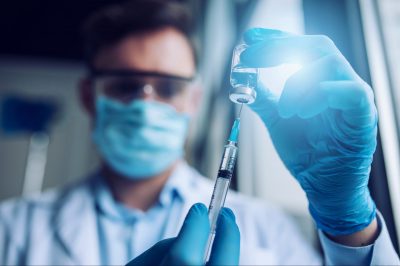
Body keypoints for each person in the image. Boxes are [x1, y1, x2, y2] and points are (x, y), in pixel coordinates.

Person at [0, 0, 399, 265]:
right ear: (89, 96)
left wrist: (347, 222)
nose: (146, 102)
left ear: (193, 99)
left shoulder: (266, 227)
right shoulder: (12, 229)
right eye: (125, 85)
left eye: (168, 87)